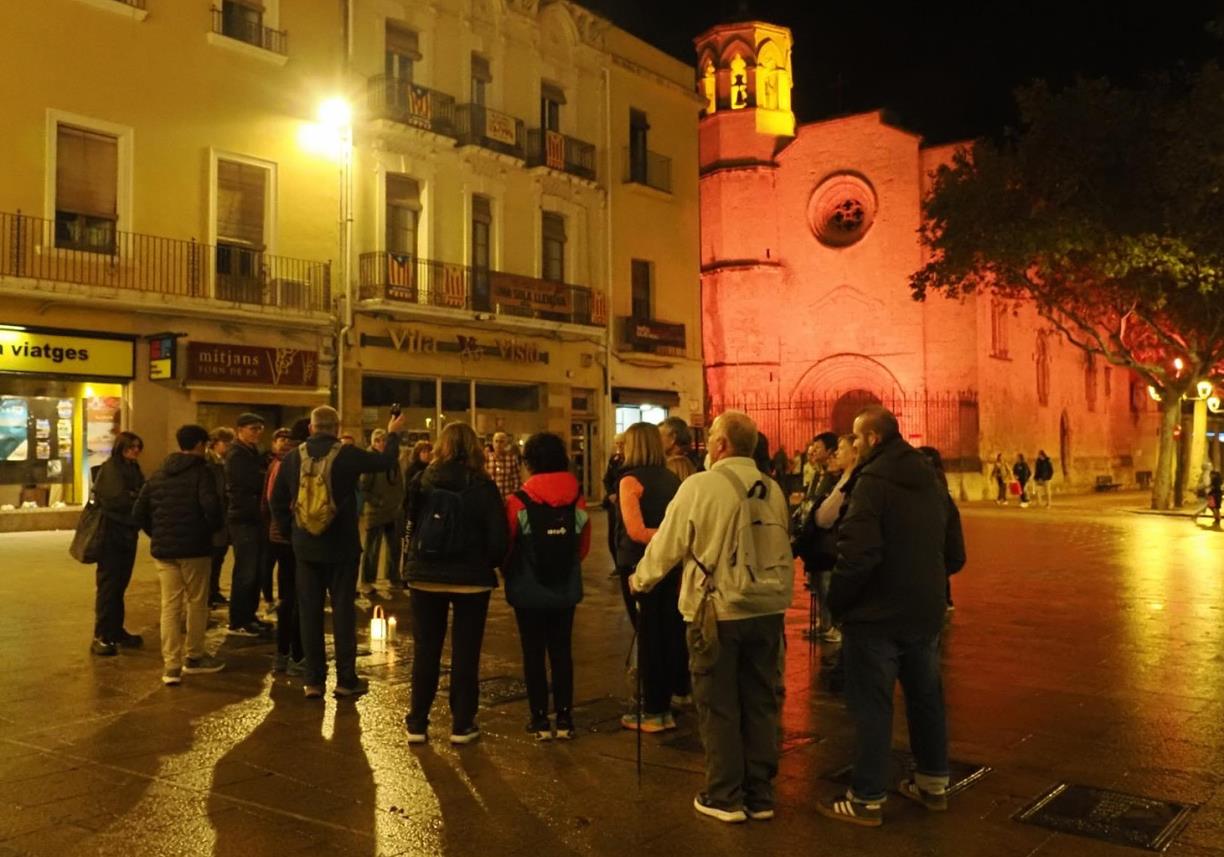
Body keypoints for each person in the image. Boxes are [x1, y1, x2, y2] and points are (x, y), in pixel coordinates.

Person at [629, 411, 793, 824]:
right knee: (760, 701)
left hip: (717, 611)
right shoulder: (771, 488)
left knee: (718, 703)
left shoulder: (700, 486)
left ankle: (723, 795)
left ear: (720, 445)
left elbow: (667, 544)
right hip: (768, 607)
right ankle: (760, 794)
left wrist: (640, 581)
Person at [817, 406, 962, 828]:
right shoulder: (931, 482)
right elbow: (955, 553)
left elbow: (857, 554)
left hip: (875, 615)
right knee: (926, 697)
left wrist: (840, 603)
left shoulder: (872, 483)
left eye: (857, 439)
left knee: (873, 706)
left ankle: (866, 798)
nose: (853, 445)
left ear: (875, 439)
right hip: (924, 612)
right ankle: (933, 783)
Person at [271, 406, 405, 699]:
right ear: (336, 427)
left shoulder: (293, 459)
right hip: (342, 547)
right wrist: (392, 434)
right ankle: (346, 680)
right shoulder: (347, 454)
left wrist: (292, 531)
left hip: (306, 547)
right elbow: (385, 461)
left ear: (311, 428)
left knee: (309, 613)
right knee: (343, 612)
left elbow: (277, 499)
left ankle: (313, 681)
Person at [401, 422, 508, 744]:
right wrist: (486, 563)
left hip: (425, 577)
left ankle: (417, 722)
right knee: (466, 652)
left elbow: (406, 524)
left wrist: (409, 564)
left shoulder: (422, 480)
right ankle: (462, 723)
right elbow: (499, 538)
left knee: (426, 650)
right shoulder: (483, 485)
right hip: (471, 580)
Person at [504, 433, 591, 740]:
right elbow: (583, 546)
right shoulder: (577, 497)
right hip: (565, 587)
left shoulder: (518, 501)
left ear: (529, 463)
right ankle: (565, 717)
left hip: (528, 590)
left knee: (532, 652)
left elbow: (508, 546)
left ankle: (539, 719)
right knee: (562, 650)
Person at [132, 424, 225, 685]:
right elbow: (212, 509)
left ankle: (171, 666)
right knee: (196, 601)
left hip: (164, 550)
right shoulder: (201, 472)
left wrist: (158, 533)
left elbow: (139, 513)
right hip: (195, 549)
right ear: (198, 445)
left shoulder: (158, 473)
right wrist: (209, 531)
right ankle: (194, 657)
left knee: (170, 605)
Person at [617, 422, 685, 731]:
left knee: (647, 635)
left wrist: (662, 538)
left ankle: (654, 709)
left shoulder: (630, 480)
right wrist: (672, 541)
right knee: (669, 630)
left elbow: (635, 530)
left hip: (639, 565)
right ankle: (672, 695)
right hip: (671, 565)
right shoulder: (672, 479)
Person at [90, 431, 146, 656]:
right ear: (120, 448)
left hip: (126, 534)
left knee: (119, 586)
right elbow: (117, 501)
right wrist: (135, 497)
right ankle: (101, 635)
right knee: (109, 587)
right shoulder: (112, 469)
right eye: (130, 447)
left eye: (138, 447)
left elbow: (142, 495)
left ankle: (115, 631)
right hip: (110, 535)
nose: (135, 451)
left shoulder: (132, 468)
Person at [265, 420, 308, 675]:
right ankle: (296, 655)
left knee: (286, 596)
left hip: (279, 536)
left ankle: (282, 654)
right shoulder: (297, 462)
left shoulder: (278, 461)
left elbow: (266, 501)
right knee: (297, 598)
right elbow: (279, 501)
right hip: (291, 536)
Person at [810, 434, 862, 643]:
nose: (837, 453)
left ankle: (833, 625)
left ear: (855, 453)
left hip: (838, 548)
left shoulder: (850, 481)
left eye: (841, 448)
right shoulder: (844, 477)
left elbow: (825, 516)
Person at [225, 413, 272, 637]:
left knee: (256, 570)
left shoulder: (252, 452)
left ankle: (249, 615)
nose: (257, 433)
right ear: (240, 430)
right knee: (246, 570)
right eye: (253, 429)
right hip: (244, 519)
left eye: (260, 429)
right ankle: (239, 619)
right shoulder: (237, 454)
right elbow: (249, 483)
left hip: (256, 518)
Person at [358, 428, 405, 606]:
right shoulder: (370, 461)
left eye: (384, 440)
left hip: (393, 510)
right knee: (372, 549)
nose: (382, 443)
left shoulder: (391, 461)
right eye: (378, 440)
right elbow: (364, 487)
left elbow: (399, 482)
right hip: (376, 512)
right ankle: (367, 581)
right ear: (372, 442)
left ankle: (393, 577)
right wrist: (376, 501)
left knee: (394, 547)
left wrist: (400, 499)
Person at [917, 446, 967, 611]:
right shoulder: (938, 475)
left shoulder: (933, 477)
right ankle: (945, 599)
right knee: (940, 567)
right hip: (944, 533)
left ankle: (943, 599)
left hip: (941, 532)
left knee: (939, 566)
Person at [258, 428, 294, 618]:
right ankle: (272, 600)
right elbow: (269, 495)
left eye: (288, 439)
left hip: (278, 524)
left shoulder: (282, 463)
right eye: (281, 439)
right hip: (275, 524)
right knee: (271, 563)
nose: (285, 443)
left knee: (284, 566)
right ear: (274, 443)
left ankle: (280, 601)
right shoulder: (276, 464)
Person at [206, 427, 234, 608]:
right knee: (213, 557)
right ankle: (209, 593)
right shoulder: (209, 462)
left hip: (223, 517)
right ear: (215, 443)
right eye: (226, 442)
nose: (229, 446)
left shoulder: (223, 462)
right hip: (215, 517)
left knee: (219, 557)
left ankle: (214, 591)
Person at [601, 434, 626, 570]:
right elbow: (607, 479)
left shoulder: (631, 460)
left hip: (625, 500)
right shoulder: (614, 460)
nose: (619, 447)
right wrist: (611, 493)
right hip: (614, 501)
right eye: (617, 444)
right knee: (612, 533)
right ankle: (616, 564)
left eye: (622, 443)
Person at [660, 417, 698, 483]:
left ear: (673, 438)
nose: (656, 441)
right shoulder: (692, 460)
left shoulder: (676, 464)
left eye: (659, 436)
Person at [486, 430, 523, 498]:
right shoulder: (487, 459)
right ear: (492, 443)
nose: (498, 444)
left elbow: (517, 480)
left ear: (506, 444)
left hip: (507, 498)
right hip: (491, 498)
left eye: (501, 441)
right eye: (496, 441)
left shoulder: (512, 459)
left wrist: (513, 496)